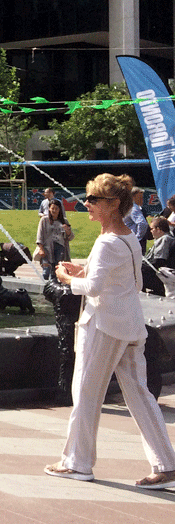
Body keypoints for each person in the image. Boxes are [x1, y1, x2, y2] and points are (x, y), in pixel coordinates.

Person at [45, 173, 175, 490]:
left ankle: (77, 463)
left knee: (86, 393)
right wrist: (84, 269)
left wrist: (67, 280)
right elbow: (133, 281)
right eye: (88, 198)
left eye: (93, 199)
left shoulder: (107, 241)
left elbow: (93, 287)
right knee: (141, 397)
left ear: (113, 204)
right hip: (130, 326)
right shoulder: (127, 237)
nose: (86, 204)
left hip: (103, 326)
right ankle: (167, 464)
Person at [35, 199, 73, 281]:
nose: (54, 210)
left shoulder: (64, 221)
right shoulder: (44, 220)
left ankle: (54, 287)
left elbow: (70, 237)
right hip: (47, 248)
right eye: (52, 208)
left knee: (56, 271)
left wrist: (68, 231)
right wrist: (41, 249)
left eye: (56, 209)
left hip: (60, 247)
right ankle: (43, 287)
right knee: (46, 272)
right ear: (49, 209)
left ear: (60, 210)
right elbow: (39, 235)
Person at [127, 187, 149, 253]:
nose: (142, 200)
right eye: (140, 198)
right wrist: (138, 238)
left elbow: (142, 223)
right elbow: (143, 223)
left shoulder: (132, 207)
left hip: (132, 240)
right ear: (133, 197)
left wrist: (137, 238)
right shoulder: (134, 208)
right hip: (135, 241)